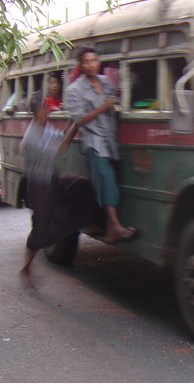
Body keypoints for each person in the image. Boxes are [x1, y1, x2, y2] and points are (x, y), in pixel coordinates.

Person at [20, 92, 102, 280]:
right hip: (39, 185)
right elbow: (62, 146)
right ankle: (27, 267)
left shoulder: (44, 126)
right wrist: (77, 123)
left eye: (46, 109)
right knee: (40, 230)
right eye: (42, 110)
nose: (46, 113)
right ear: (34, 113)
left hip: (52, 179)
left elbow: (61, 136)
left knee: (82, 185)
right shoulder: (32, 136)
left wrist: (73, 119)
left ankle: (87, 223)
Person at [66, 45, 135, 243]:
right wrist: (102, 107)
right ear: (80, 64)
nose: (91, 65)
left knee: (112, 182)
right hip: (95, 143)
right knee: (107, 180)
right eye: (86, 62)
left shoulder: (105, 82)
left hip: (111, 141)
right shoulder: (74, 90)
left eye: (94, 60)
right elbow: (78, 119)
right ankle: (114, 225)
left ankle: (110, 228)